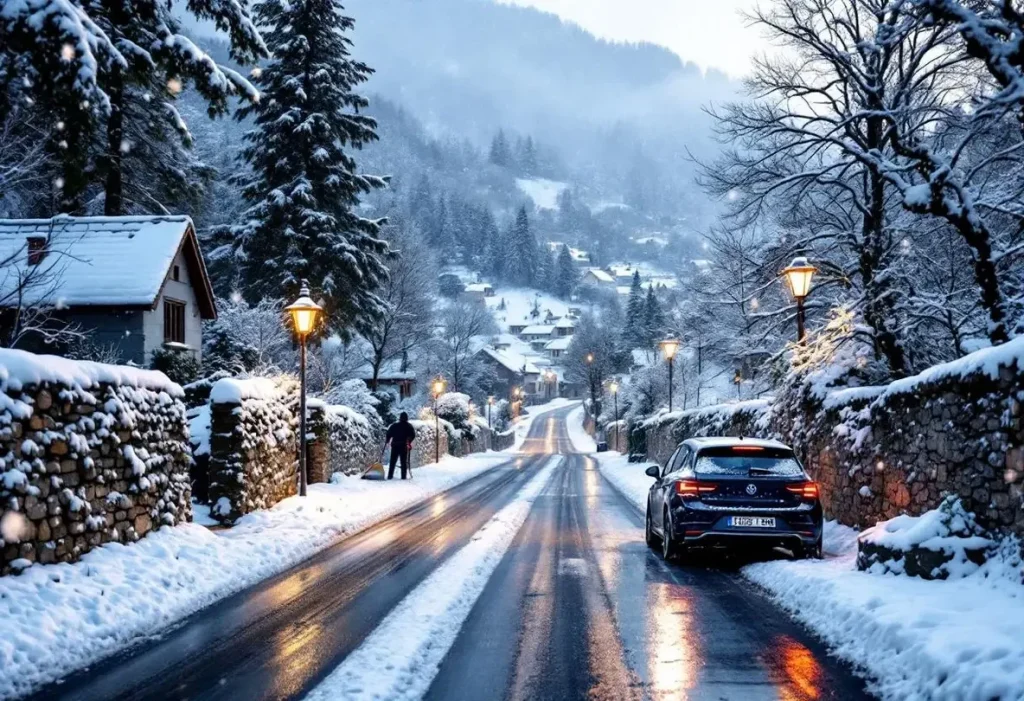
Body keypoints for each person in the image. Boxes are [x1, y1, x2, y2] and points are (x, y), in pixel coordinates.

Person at [384, 412, 416, 480]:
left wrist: (387, 440)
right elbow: (413, 435)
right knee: (403, 462)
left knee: (392, 461)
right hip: (403, 446)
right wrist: (409, 440)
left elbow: (389, 433)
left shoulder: (394, 426)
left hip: (395, 445)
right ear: (407, 418)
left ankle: (390, 475)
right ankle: (403, 477)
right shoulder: (409, 426)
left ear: (400, 418)